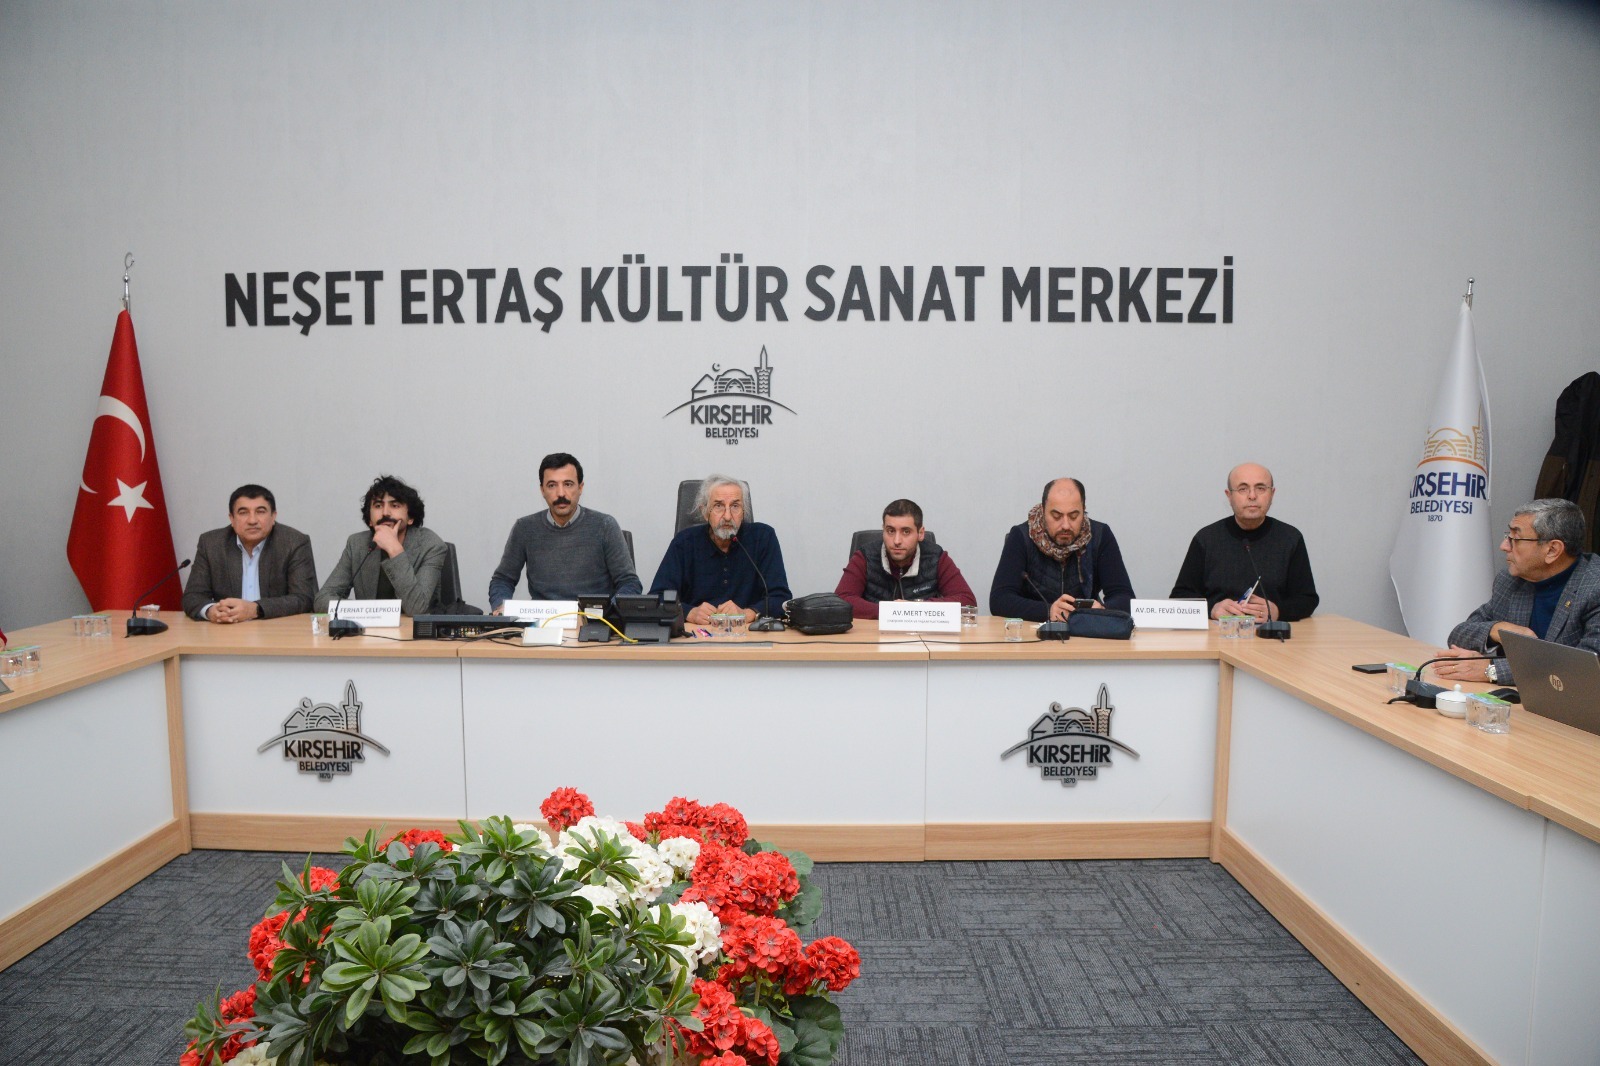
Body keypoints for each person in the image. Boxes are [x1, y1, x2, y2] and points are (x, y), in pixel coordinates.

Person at [1434, 498, 1600, 685]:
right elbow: (1458, 635)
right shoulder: (1511, 581)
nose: (1504, 546)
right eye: (1508, 536)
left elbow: (1586, 669)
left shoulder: (1594, 587)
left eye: (1515, 539)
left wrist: (1493, 670)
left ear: (1552, 550)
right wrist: (1498, 629)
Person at [487, 453, 641, 612]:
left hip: (594, 620)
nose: (561, 493)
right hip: (542, 620)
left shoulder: (605, 526)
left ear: (580, 488)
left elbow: (630, 583)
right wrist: (501, 606)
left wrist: (603, 614)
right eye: (552, 485)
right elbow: (502, 580)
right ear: (542, 490)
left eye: (568, 484)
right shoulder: (524, 528)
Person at [1169, 462, 1319, 622]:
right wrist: (1211, 608)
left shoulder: (1290, 538)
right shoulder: (1206, 538)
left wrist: (1278, 611)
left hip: (1269, 633)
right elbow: (1180, 597)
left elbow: (1307, 599)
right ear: (1229, 496)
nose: (1252, 496)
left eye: (1260, 488)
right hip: (1220, 632)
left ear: (1272, 494)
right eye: (1243, 489)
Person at [650, 474, 791, 626]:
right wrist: (689, 612)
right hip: (697, 633)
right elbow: (657, 599)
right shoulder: (684, 543)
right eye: (718, 506)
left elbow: (781, 598)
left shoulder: (763, 538)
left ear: (743, 512)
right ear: (705, 512)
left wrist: (747, 613)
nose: (728, 516)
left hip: (747, 633)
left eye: (735, 506)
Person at [990, 478, 1135, 621]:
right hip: (1032, 630)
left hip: (1085, 630)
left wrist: (1103, 610)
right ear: (1043, 510)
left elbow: (1125, 598)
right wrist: (1048, 610)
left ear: (1083, 510)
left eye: (1074, 516)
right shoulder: (1021, 536)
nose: (1065, 525)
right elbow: (999, 599)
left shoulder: (1100, 536)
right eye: (1056, 516)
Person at [314, 475, 448, 617]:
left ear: (410, 518)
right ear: (370, 520)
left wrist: (394, 549)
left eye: (395, 506)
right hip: (369, 629)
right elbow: (322, 600)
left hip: (414, 630)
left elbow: (417, 609)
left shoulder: (431, 545)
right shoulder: (357, 544)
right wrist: (367, 611)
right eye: (378, 506)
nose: (385, 513)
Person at [182, 484, 317, 623]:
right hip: (227, 630)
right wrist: (210, 611)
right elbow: (193, 596)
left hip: (275, 629)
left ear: (273, 517)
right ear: (232, 519)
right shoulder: (211, 544)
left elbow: (303, 598)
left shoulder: (294, 542)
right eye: (243, 512)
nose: (252, 520)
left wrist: (255, 609)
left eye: (260, 511)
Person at [835, 498, 977, 619]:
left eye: (906, 532)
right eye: (890, 531)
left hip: (923, 637)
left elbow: (967, 602)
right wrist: (891, 611)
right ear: (883, 530)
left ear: (920, 533)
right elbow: (842, 600)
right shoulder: (865, 556)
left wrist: (914, 608)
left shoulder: (936, 557)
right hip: (874, 636)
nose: (897, 541)